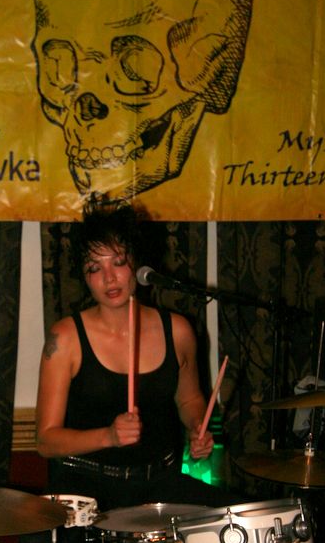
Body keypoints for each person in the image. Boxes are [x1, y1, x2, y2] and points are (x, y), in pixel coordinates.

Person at [35, 202, 240, 515]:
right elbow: (46, 441)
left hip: (158, 482)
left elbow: (189, 400)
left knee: (238, 518)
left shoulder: (178, 331)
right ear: (85, 277)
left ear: (138, 263)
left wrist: (198, 426)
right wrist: (108, 436)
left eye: (118, 262)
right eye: (95, 268)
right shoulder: (65, 338)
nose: (109, 277)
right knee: (40, 535)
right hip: (85, 486)